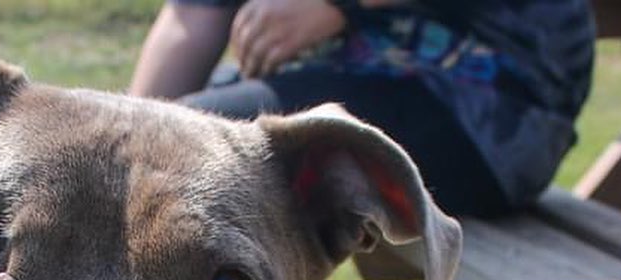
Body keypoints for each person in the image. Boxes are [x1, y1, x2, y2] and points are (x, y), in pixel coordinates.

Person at [129, 0, 596, 217]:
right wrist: (127, 140)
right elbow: (192, 18)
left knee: (200, 158)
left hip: (486, 102)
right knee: (168, 144)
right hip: (344, 69)